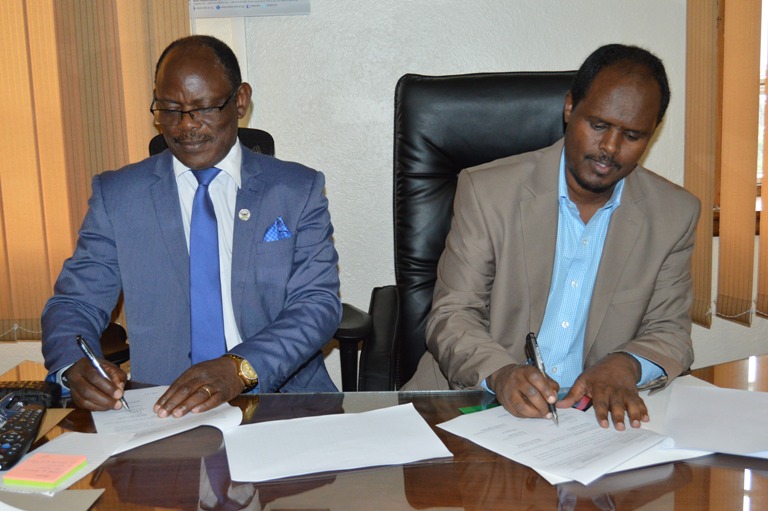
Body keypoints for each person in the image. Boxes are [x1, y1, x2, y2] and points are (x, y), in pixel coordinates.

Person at [403, 44, 699, 431]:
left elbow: (671, 331)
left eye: (631, 135)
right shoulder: (487, 191)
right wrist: (500, 373)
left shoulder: (674, 214)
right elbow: (452, 313)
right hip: (470, 406)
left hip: (590, 422)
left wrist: (625, 365)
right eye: (598, 125)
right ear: (569, 108)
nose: (610, 148)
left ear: (651, 135)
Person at [41, 35, 341, 417]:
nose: (186, 126)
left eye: (204, 108)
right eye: (170, 109)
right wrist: (73, 368)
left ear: (241, 100)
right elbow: (75, 302)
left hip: (279, 398)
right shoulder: (118, 196)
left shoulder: (297, 190)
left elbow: (316, 305)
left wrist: (239, 367)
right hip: (163, 407)